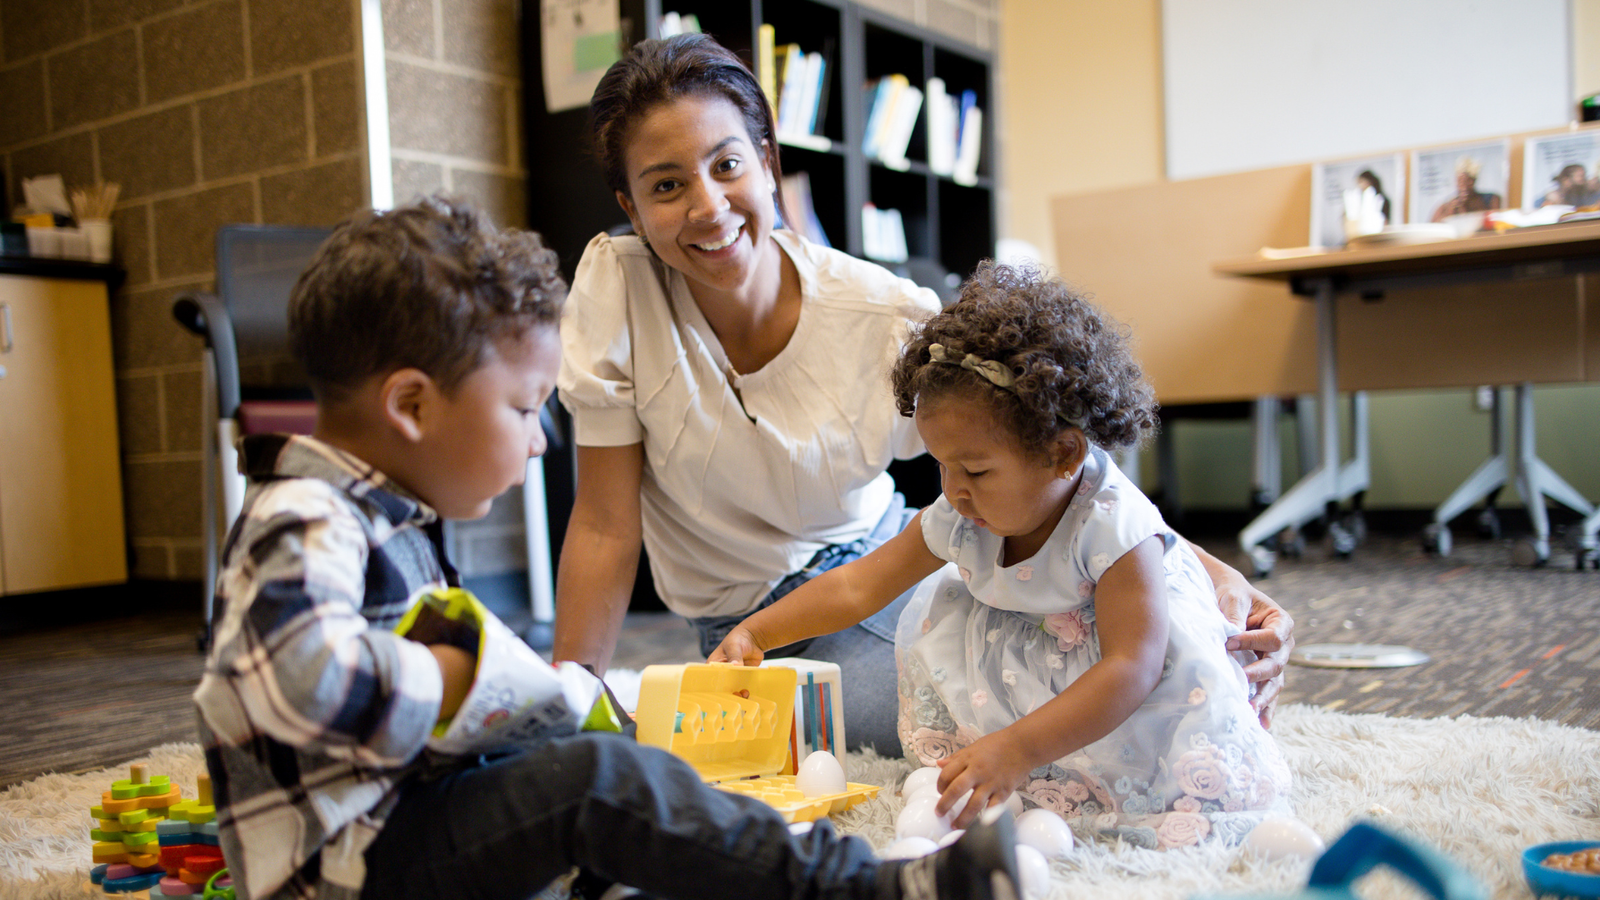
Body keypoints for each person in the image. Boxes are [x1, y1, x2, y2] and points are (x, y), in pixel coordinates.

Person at [193, 196, 1022, 900]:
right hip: (347, 868)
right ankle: (869, 889)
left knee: (601, 756)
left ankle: (663, 862)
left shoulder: (381, 517)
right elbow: (299, 681)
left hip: (402, 824)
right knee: (593, 784)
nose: (538, 442)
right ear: (411, 405)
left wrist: (544, 708)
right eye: (522, 410)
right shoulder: (305, 519)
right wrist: (474, 678)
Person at [554, 33, 1296, 757]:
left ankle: (1221, 686)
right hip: (752, 625)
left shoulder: (882, 314)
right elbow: (604, 526)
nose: (708, 207)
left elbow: (1059, 455)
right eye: (666, 185)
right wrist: (573, 701)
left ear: (769, 163)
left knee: (1117, 655)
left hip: (905, 560)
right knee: (965, 718)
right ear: (630, 203)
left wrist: (1211, 572)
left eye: (727, 164)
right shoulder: (618, 289)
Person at [711, 262, 1292, 850]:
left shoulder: (1115, 527)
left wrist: (1018, 748)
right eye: (941, 464)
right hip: (1028, 665)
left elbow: (1131, 668)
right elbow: (861, 585)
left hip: (1126, 683)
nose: (955, 488)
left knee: (1152, 776)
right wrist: (757, 633)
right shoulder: (962, 511)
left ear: (1064, 454)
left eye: (977, 469)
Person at [1430, 156, 1502, 222]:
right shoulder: (1446, 206)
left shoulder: (1492, 199)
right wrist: (1450, 212)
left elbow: (1495, 223)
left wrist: (1475, 206)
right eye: (1460, 181)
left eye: (1469, 180)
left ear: (1474, 181)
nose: (1464, 185)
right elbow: (1431, 228)